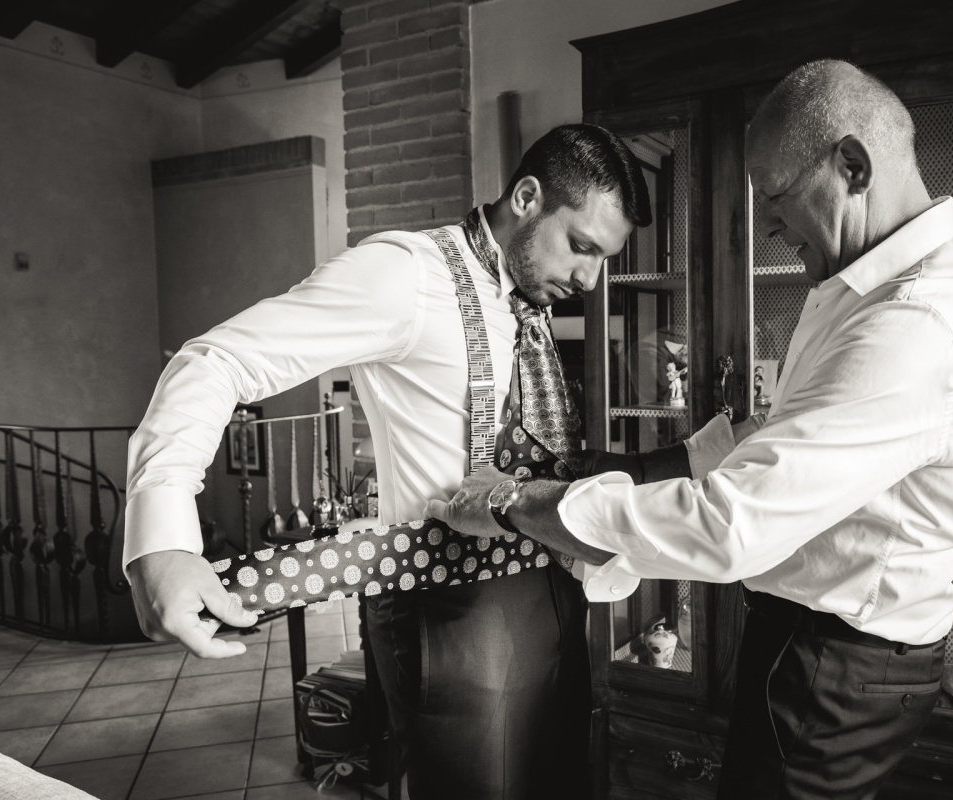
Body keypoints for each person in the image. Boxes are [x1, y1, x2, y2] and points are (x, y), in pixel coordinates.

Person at [430, 59, 953, 800]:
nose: (771, 227)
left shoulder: (916, 323)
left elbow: (730, 523)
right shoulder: (863, 284)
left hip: (838, 663)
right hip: (822, 646)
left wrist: (517, 503)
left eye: (776, 197)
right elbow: (777, 433)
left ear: (852, 165)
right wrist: (640, 466)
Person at [123, 123, 652, 799]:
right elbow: (218, 360)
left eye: (603, 257)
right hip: (453, 615)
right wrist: (163, 536)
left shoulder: (527, 295)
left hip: (554, 598)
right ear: (526, 197)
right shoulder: (404, 274)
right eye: (581, 247)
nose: (589, 278)